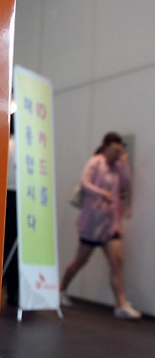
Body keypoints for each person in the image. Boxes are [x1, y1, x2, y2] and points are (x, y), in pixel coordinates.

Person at [59, 132, 140, 319]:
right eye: (114, 150)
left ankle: (121, 304)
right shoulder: (96, 162)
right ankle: (61, 289)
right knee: (80, 261)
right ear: (105, 147)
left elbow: (126, 184)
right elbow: (85, 183)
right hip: (92, 223)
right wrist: (102, 193)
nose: (116, 154)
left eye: (119, 151)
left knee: (117, 261)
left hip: (110, 224)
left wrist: (124, 163)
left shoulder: (118, 167)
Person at [3, 116, 19, 306]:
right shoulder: (18, 147)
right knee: (14, 246)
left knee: (7, 244)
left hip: (7, 196)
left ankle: (11, 289)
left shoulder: (7, 144)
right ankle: (14, 290)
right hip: (19, 198)